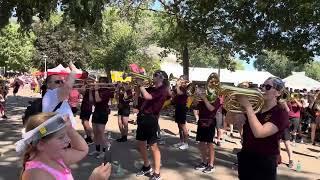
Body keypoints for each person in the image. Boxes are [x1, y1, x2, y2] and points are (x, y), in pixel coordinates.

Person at [18, 112, 111, 180]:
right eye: (61, 137)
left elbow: (82, 150)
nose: (69, 140)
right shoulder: (36, 175)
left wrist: (69, 129)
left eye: (66, 135)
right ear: (41, 144)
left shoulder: (55, 157)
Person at [236, 77, 289, 180]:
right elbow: (232, 120)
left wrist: (247, 106)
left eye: (268, 87)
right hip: (246, 157)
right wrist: (237, 104)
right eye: (262, 86)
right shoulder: (255, 108)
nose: (263, 89)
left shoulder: (280, 113)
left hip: (265, 161)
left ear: (278, 93)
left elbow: (259, 133)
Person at [135, 70, 169, 180]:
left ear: (162, 78)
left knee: (153, 145)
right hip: (142, 117)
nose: (153, 77)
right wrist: (137, 86)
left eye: (155, 75)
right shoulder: (152, 88)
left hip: (151, 118)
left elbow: (148, 97)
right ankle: (146, 166)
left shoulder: (162, 90)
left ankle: (157, 173)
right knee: (141, 143)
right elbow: (138, 97)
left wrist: (141, 85)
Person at [194, 88, 222, 174]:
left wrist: (204, 98)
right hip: (201, 121)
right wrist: (196, 97)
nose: (209, 90)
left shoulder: (216, 99)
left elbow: (211, 109)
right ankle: (203, 162)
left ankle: (211, 165)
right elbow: (195, 106)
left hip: (210, 122)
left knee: (210, 144)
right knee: (201, 143)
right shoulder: (203, 98)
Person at [42, 62, 78, 127]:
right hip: (59, 133)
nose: (61, 83)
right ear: (48, 84)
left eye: (61, 81)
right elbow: (68, 86)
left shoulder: (52, 94)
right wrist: (73, 70)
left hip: (63, 132)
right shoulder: (51, 93)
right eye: (57, 82)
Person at [88, 76, 114, 159]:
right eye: (100, 81)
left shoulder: (107, 91)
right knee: (95, 133)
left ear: (106, 83)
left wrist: (95, 90)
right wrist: (90, 91)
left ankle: (104, 150)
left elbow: (98, 100)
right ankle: (97, 150)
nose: (100, 83)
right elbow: (91, 101)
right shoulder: (98, 90)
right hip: (96, 112)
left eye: (102, 81)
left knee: (101, 132)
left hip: (103, 112)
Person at [172, 75, 189, 150]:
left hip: (182, 107)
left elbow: (179, 93)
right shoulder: (180, 87)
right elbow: (174, 94)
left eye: (181, 79)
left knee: (183, 126)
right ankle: (181, 141)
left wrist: (178, 86)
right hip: (178, 107)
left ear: (185, 80)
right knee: (179, 126)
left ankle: (186, 143)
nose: (179, 80)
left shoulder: (187, 88)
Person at [79, 79, 94, 145]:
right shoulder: (87, 87)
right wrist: (85, 85)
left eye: (89, 80)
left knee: (85, 123)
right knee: (83, 122)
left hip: (87, 107)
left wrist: (86, 85)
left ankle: (93, 137)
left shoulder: (92, 88)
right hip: (84, 106)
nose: (88, 81)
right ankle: (88, 137)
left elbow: (82, 91)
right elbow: (81, 91)